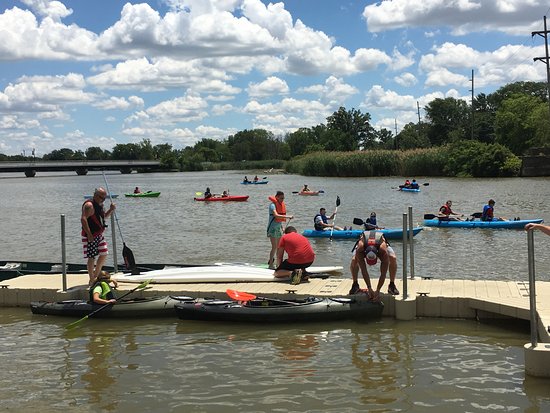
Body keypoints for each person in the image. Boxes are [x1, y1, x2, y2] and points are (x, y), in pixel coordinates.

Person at [349, 230, 399, 299]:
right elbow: (364, 270)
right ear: (365, 254)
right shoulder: (360, 249)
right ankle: (355, 284)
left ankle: (392, 285)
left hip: (379, 242)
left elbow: (383, 273)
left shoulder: (383, 250)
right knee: (354, 260)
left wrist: (378, 290)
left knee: (393, 258)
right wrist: (369, 288)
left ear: (377, 255)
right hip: (364, 243)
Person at [81, 187, 116, 286]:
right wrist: (89, 234)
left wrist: (111, 210)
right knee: (91, 256)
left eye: (105, 198)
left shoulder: (100, 205)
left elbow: (103, 217)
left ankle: (96, 276)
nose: (103, 200)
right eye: (101, 198)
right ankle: (92, 279)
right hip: (90, 235)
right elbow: (83, 219)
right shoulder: (89, 205)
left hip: (99, 234)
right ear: (96, 195)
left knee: (104, 253)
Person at [267, 191, 293, 269]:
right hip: (272, 228)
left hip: (278, 228)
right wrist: (288, 216)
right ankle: (270, 264)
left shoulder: (281, 205)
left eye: (283, 198)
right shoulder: (272, 205)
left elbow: (279, 219)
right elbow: (276, 215)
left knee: (279, 247)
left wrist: (282, 228)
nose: (282, 200)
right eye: (281, 198)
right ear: (277, 197)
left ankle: (278, 264)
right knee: (274, 247)